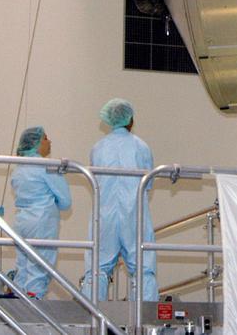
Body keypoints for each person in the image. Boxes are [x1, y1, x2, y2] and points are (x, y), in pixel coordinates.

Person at [82, 99, 156, 301]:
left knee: (97, 268)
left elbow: (95, 181)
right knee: (142, 268)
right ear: (130, 119)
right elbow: (148, 184)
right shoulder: (141, 147)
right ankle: (145, 325)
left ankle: (92, 324)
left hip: (103, 215)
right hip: (134, 215)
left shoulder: (98, 148)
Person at [11, 126, 72, 298]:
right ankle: (33, 306)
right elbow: (66, 201)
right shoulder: (46, 166)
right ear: (36, 143)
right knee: (39, 267)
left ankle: (18, 303)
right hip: (42, 221)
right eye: (45, 138)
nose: (49, 141)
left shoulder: (19, 170)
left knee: (22, 267)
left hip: (22, 222)